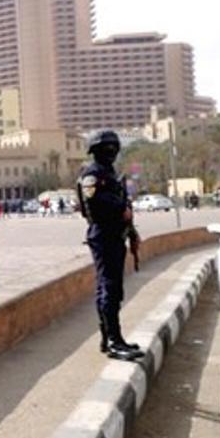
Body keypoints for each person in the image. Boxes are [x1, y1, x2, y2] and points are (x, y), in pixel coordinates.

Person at [76, 130, 144, 362]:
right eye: (107, 148)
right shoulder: (92, 174)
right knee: (109, 288)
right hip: (103, 234)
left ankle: (110, 338)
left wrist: (132, 232)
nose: (112, 152)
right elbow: (93, 202)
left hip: (115, 235)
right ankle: (114, 340)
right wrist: (119, 209)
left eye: (114, 148)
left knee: (111, 288)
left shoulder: (111, 173)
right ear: (96, 151)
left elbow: (125, 205)